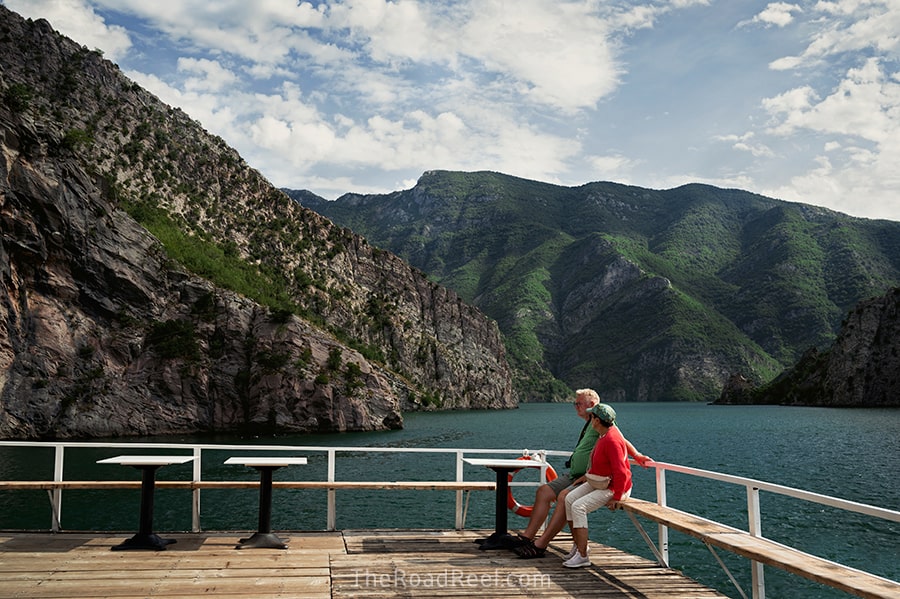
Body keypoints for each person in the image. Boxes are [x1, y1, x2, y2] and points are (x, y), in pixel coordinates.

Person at [514, 391, 649, 559]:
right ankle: (528, 537)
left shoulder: (601, 423)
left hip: (588, 477)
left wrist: (637, 455)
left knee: (565, 498)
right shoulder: (590, 424)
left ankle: (543, 544)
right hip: (574, 474)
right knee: (544, 492)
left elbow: (621, 440)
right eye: (575, 404)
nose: (575, 407)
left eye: (578, 403)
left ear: (592, 404)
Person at [559, 402, 632, 568]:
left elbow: (621, 472)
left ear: (597, 420)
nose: (590, 420)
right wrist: (586, 476)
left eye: (592, 416)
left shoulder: (612, 440)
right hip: (599, 481)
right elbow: (600, 464)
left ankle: (583, 556)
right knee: (569, 499)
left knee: (578, 507)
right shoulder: (604, 434)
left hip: (613, 487)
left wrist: (617, 496)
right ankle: (578, 547)